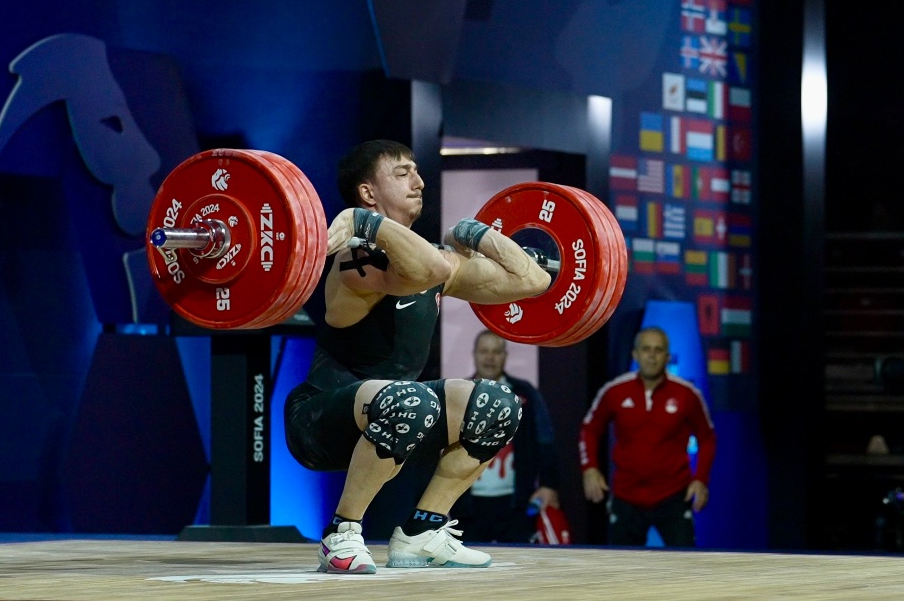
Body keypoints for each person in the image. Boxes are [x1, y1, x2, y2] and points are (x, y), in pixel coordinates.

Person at [284, 139, 551, 573]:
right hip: (320, 420)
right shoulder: (356, 256)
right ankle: (341, 533)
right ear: (368, 193)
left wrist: (479, 234)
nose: (419, 181)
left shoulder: (425, 257)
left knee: (498, 405)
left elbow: (533, 280)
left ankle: (422, 532)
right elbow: (427, 270)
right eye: (403, 172)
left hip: (400, 415)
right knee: (408, 398)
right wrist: (362, 224)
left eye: (417, 171)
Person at [579, 326, 717, 547]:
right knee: (621, 571)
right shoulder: (614, 391)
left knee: (685, 569)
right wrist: (590, 468)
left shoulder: (687, 394)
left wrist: (701, 479)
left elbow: (707, 438)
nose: (651, 356)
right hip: (626, 496)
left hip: (673, 496)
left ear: (667, 356)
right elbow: (589, 429)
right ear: (635, 354)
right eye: (646, 349)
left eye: (658, 350)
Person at [451, 330, 561, 543]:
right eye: (484, 351)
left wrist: (549, 484)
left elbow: (545, 440)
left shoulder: (525, 393)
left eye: (496, 352)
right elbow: (437, 448)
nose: (490, 357)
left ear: (505, 356)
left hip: (515, 505)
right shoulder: (458, 392)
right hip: (467, 505)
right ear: (474, 355)